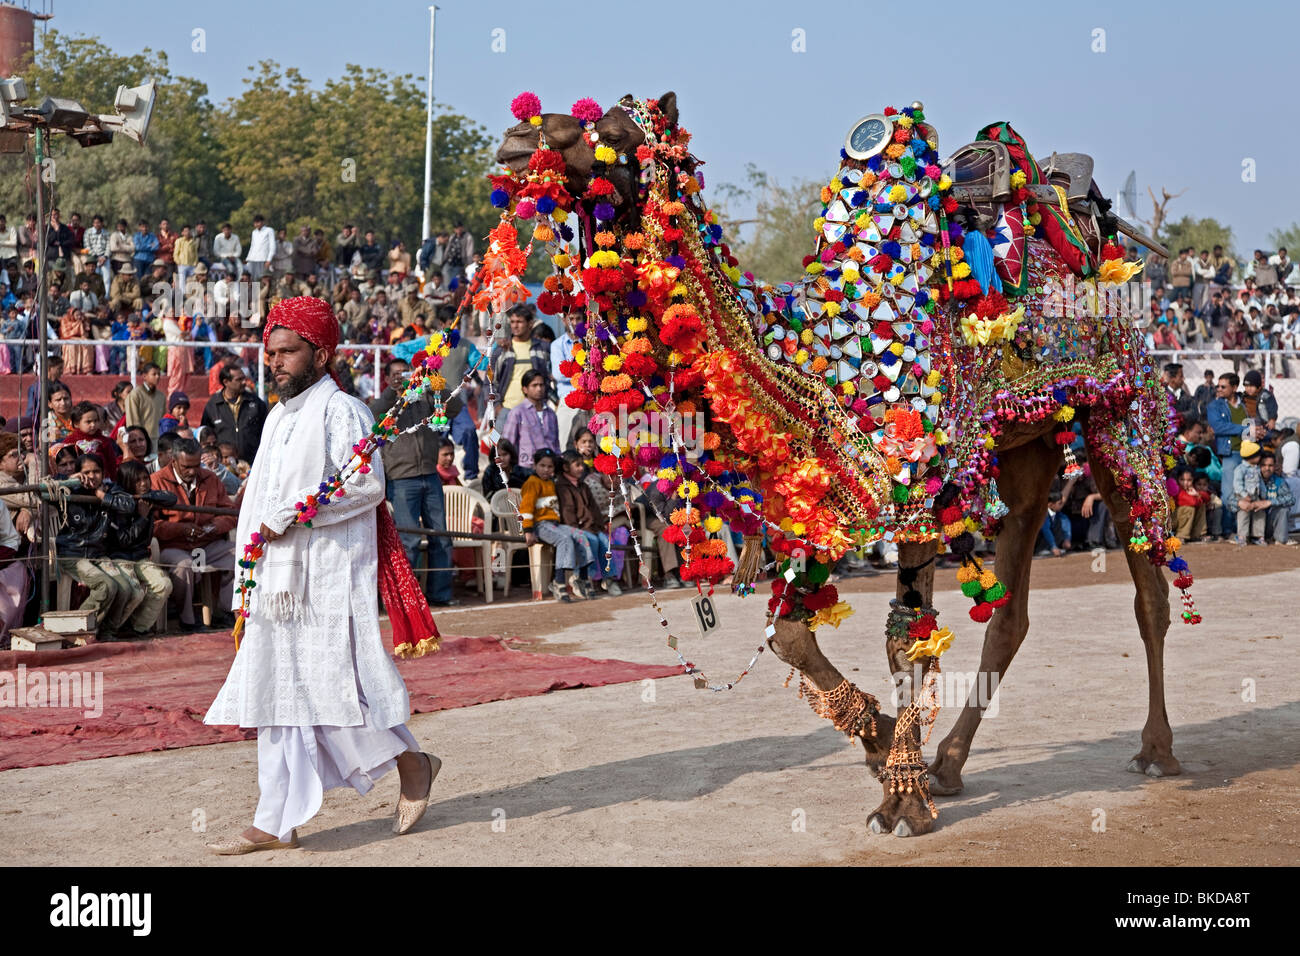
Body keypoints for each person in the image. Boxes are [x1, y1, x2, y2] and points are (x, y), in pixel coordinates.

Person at [203, 296, 440, 854]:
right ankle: (274, 820)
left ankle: (412, 764)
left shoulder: (344, 411)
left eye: (288, 352)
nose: (276, 362)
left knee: (332, 689)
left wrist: (301, 510)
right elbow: (260, 497)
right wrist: (252, 559)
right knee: (277, 693)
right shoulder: (280, 417)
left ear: (321, 352)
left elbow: (366, 486)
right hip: (276, 579)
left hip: (328, 577)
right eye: (271, 353)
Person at [370, 357, 457, 608]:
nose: (402, 378)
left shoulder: (426, 399)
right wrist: (392, 392)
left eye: (405, 373)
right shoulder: (386, 403)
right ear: (386, 379)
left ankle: (440, 595)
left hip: (430, 475)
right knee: (409, 541)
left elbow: (456, 407)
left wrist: (436, 384)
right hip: (401, 479)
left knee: (441, 537)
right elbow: (375, 415)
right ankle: (406, 599)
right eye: (395, 375)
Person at [150, 435, 237, 631]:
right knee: (185, 566)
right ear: (174, 461)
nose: (192, 471)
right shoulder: (156, 481)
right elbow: (152, 524)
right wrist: (180, 529)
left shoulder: (211, 478)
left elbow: (230, 513)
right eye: (186, 467)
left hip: (205, 545)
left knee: (241, 555)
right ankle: (188, 620)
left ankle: (225, 611)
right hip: (174, 547)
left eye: (196, 465)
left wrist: (213, 526)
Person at [54, 454, 139, 639]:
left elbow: (129, 505)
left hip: (97, 554)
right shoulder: (69, 487)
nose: (92, 476)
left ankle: (106, 631)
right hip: (72, 553)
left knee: (125, 588)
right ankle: (72, 630)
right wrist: (69, 481)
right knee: (105, 585)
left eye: (96, 471)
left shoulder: (109, 489)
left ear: (103, 472)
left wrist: (103, 496)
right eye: (86, 472)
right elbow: (46, 487)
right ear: (78, 473)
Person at [104, 459, 176, 639]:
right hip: (119, 556)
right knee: (134, 591)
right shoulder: (117, 501)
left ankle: (137, 628)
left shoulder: (146, 497)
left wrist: (147, 497)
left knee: (163, 585)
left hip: (140, 556)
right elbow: (123, 540)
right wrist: (141, 518)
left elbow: (171, 498)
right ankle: (111, 629)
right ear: (127, 482)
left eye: (145, 478)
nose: (143, 483)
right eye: (138, 480)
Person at [520, 449, 595, 603]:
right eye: (542, 466)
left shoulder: (551, 483)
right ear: (534, 465)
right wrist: (527, 531)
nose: (546, 470)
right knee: (564, 539)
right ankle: (558, 581)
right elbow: (526, 510)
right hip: (540, 525)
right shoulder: (532, 483)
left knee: (581, 535)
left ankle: (582, 577)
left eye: (550, 467)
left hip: (554, 524)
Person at [557, 449, 620, 596]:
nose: (581, 468)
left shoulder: (583, 486)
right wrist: (577, 529)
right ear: (566, 467)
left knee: (605, 541)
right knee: (591, 540)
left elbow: (594, 510)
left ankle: (609, 578)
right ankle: (581, 577)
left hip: (590, 526)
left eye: (581, 465)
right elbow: (567, 512)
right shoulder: (562, 487)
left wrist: (599, 526)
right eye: (577, 465)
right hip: (574, 527)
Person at [1207, 372, 1251, 531]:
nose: (1218, 389)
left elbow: (1254, 425)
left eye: (1223, 386)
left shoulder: (1246, 404)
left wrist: (1254, 431)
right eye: (1218, 386)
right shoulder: (1214, 406)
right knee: (1228, 493)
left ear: (1234, 387)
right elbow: (1219, 427)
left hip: (1249, 455)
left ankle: (1242, 529)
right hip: (1230, 454)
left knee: (1246, 492)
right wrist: (1245, 429)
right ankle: (1227, 529)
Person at [201, 363, 267, 464]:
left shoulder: (256, 403)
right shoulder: (213, 406)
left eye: (244, 378)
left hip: (253, 463)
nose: (244, 382)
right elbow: (205, 436)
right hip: (223, 466)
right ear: (226, 382)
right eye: (239, 379)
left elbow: (266, 432)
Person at [1233, 442, 1295, 546]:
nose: (1267, 468)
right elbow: (1231, 498)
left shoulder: (1278, 481)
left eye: (1270, 465)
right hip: (1248, 521)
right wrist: (1241, 503)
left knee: (1283, 510)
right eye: (1263, 465)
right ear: (1257, 465)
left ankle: (1279, 540)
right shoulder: (1248, 479)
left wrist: (1268, 502)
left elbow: (1291, 499)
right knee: (1242, 509)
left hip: (1267, 524)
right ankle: (1243, 537)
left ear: (1275, 466)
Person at [500, 369, 559, 470]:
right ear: (525, 389)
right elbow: (508, 444)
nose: (539, 389)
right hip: (527, 467)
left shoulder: (551, 414)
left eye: (541, 385)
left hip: (550, 469)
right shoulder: (517, 412)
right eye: (534, 385)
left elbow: (556, 444)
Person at [54, 401, 121, 481]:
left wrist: (113, 481)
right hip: (78, 482)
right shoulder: (70, 442)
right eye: (88, 422)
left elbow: (112, 464)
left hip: (102, 481)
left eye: (96, 421)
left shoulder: (104, 441)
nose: (93, 425)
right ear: (76, 423)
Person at [125, 362, 168, 443]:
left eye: (159, 374)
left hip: (158, 440)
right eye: (154, 374)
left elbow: (163, 419)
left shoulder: (161, 396)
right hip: (141, 441)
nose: (157, 377)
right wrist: (138, 439)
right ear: (145, 376)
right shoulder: (135, 395)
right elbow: (133, 421)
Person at [1171, 467, 1209, 541]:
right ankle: (1181, 535)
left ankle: (1199, 534)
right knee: (1189, 508)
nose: (1185, 483)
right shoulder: (1177, 489)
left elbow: (1207, 497)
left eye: (1189, 480)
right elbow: (1192, 502)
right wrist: (1197, 496)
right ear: (1178, 480)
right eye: (1182, 480)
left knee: (1202, 506)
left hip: (1184, 520)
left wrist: (1197, 494)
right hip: (1173, 521)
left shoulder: (1193, 489)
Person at [246, 215, 275, 281]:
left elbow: (272, 246)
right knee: (250, 278)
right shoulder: (254, 232)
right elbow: (252, 246)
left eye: (258, 222)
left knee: (260, 279)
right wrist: (248, 258)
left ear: (262, 222)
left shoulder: (269, 230)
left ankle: (259, 291)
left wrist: (269, 260)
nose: (256, 224)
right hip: (252, 259)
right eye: (255, 222)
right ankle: (249, 291)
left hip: (263, 259)